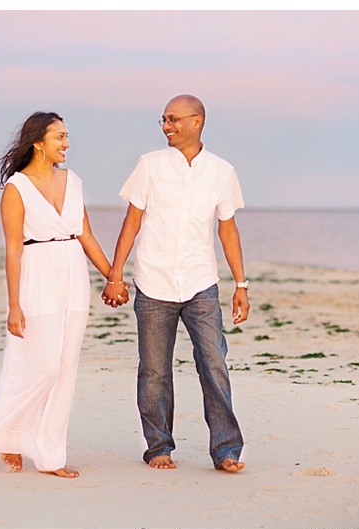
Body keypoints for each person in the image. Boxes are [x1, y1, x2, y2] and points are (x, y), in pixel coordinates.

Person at [102, 94, 249, 473]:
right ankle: (158, 447)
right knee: (154, 371)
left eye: (173, 119)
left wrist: (242, 284)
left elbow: (228, 230)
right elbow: (131, 222)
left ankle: (227, 450)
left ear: (196, 121)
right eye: (163, 120)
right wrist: (115, 276)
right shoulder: (149, 166)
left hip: (202, 283)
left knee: (214, 364)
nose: (166, 126)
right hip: (153, 283)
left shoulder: (222, 171)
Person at [0, 111, 117, 478]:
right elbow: (14, 249)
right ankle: (6, 434)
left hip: (72, 273)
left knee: (64, 370)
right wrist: (14, 304)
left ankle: (51, 457)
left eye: (67, 136)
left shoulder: (73, 181)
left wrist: (114, 276)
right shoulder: (16, 188)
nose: (66, 143)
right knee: (38, 365)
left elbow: (86, 235)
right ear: (38, 142)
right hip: (36, 274)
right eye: (59, 137)